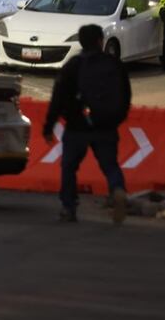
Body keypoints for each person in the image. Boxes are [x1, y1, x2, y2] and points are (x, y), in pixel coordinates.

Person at [43, 24, 131, 224]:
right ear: (100, 41)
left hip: (76, 127)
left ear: (81, 42)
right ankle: (117, 189)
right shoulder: (114, 64)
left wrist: (49, 125)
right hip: (106, 126)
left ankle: (69, 207)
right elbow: (125, 95)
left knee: (69, 166)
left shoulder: (73, 65)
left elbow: (58, 97)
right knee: (110, 165)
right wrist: (117, 118)